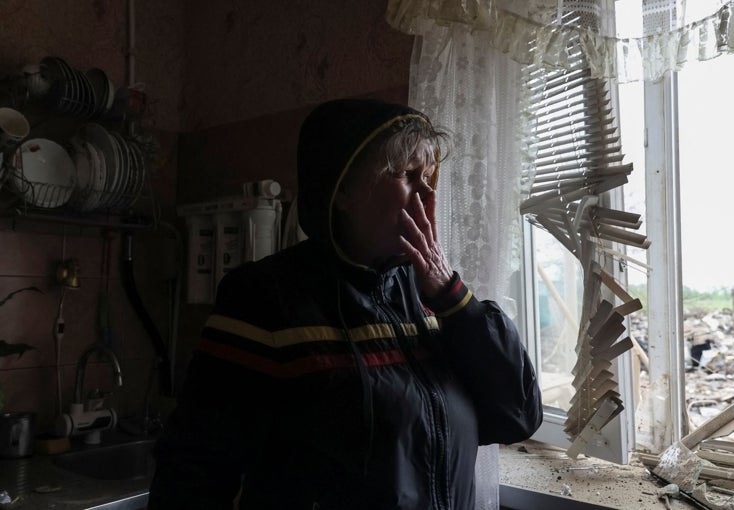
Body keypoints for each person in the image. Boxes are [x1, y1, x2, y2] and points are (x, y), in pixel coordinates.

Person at [148, 98, 543, 510]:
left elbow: (516, 415)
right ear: (342, 191)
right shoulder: (266, 297)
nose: (427, 191)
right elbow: (193, 468)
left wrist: (452, 297)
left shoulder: (432, 298)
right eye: (407, 174)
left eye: (429, 176)